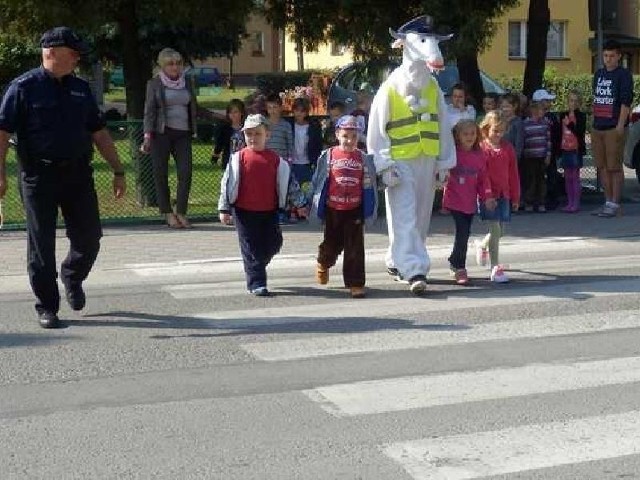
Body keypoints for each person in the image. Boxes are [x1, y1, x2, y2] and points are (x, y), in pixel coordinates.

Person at [0, 26, 126, 328]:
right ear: (51, 53)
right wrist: (1, 174)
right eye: (73, 53)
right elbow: (2, 133)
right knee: (41, 244)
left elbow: (99, 132)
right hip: (38, 176)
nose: (77, 59)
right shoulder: (23, 88)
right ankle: (47, 306)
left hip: (78, 174)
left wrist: (118, 169)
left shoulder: (81, 89)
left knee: (90, 238)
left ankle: (72, 275)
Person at [367, 15, 456, 295]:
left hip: (427, 159)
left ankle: (396, 260)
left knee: (419, 217)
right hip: (401, 160)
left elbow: (443, 124)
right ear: (404, 45)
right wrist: (383, 163)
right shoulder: (390, 87)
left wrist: (444, 162)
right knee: (403, 213)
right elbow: (376, 128)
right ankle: (415, 268)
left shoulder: (432, 88)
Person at [218, 114, 307, 296]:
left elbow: (290, 184)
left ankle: (257, 264)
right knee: (250, 247)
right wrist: (224, 208)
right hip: (243, 211)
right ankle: (256, 283)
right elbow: (227, 183)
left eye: (258, 134)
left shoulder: (276, 160)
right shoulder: (238, 159)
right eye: (249, 134)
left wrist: (300, 204)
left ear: (268, 135)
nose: (253, 138)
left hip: (269, 211)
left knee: (274, 242)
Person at [309, 115, 378, 299]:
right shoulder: (329, 155)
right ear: (337, 134)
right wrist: (311, 202)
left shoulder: (363, 158)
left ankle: (355, 283)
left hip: (354, 209)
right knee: (332, 244)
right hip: (333, 208)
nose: (349, 140)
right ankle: (324, 262)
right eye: (345, 136)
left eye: (353, 137)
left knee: (355, 248)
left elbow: (371, 182)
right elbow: (318, 181)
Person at [141, 48, 198, 229]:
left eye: (178, 63)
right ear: (162, 66)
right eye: (170, 64)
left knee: (185, 172)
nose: (175, 67)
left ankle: (180, 211)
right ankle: (167, 213)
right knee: (160, 173)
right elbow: (149, 112)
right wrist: (147, 136)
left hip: (183, 134)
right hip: (161, 133)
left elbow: (194, 107)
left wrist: (220, 116)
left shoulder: (187, 82)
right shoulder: (154, 84)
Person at [442, 120, 495, 285]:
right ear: (457, 136)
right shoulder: (452, 153)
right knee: (462, 233)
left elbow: (483, 180)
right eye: (465, 134)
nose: (470, 137)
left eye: (473, 133)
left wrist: (487, 197)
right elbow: (442, 172)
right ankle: (459, 267)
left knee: (465, 232)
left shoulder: (479, 155)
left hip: (470, 202)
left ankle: (453, 260)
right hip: (454, 200)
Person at [591, 39, 634, 217]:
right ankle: (607, 201)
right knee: (601, 167)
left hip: (613, 127)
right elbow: (596, 97)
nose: (608, 59)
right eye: (606, 55)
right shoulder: (599, 74)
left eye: (612, 56)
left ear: (618, 56)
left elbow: (626, 101)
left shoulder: (623, 75)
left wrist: (619, 126)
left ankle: (615, 204)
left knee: (614, 167)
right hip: (598, 126)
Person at [476, 111, 520, 283]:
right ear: (487, 129)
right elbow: (482, 175)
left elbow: (514, 173)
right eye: (495, 131)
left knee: (501, 231)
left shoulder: (508, 148)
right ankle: (495, 267)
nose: (499, 134)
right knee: (495, 229)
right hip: (489, 197)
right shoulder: (482, 148)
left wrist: (515, 197)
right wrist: (487, 195)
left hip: (504, 194)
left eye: (502, 131)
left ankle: (482, 245)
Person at [532, 88, 561, 210]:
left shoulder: (552, 116)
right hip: (535, 152)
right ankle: (536, 199)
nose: (549, 103)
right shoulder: (531, 118)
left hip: (550, 152)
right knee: (536, 176)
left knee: (551, 175)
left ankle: (551, 199)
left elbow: (556, 134)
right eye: (546, 100)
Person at [558, 90, 587, 213]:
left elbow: (579, 131)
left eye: (576, 101)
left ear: (579, 103)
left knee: (575, 176)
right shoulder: (563, 114)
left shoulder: (581, 116)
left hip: (575, 150)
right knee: (567, 176)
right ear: (567, 101)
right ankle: (569, 202)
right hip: (565, 148)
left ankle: (576, 203)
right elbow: (559, 132)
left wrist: (569, 124)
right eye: (571, 100)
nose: (573, 103)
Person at [521, 100, 551, 212]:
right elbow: (523, 139)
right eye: (541, 109)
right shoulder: (525, 123)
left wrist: (548, 154)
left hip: (541, 156)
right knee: (530, 180)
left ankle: (541, 202)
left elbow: (548, 140)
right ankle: (529, 201)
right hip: (529, 156)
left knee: (541, 180)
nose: (543, 112)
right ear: (533, 111)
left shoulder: (545, 123)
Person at [289, 96, 323, 187]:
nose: (299, 113)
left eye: (302, 111)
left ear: (306, 112)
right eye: (296, 110)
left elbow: (318, 145)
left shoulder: (314, 126)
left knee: (307, 190)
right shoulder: (289, 124)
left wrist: (316, 162)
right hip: (292, 163)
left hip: (308, 164)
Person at [212, 98, 246, 169]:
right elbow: (219, 144)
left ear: (242, 112)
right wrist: (215, 156)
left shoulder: (247, 128)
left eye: (235, 112)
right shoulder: (225, 129)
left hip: (244, 160)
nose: (233, 115)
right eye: (230, 112)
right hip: (229, 160)